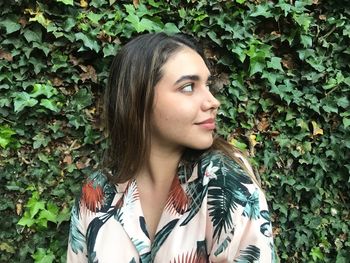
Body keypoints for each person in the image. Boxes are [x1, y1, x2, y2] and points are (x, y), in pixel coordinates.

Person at [67, 32, 275, 262]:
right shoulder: (96, 195)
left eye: (207, 85)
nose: (213, 102)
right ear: (138, 98)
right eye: (188, 87)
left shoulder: (224, 184)